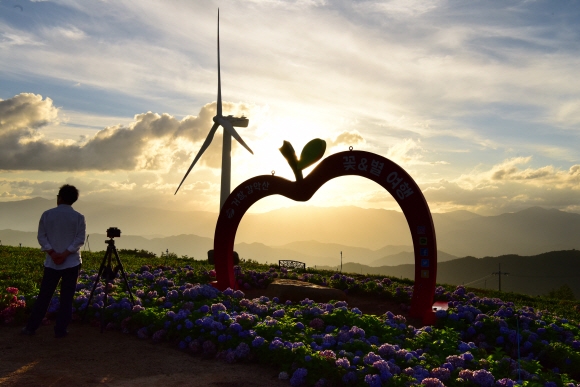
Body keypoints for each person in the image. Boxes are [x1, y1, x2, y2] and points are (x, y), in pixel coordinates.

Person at [21, 184, 86, 338]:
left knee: (44, 296)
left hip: (51, 262)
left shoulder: (47, 214)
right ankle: (61, 329)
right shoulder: (79, 217)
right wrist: (64, 254)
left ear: (60, 197)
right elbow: (79, 240)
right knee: (67, 297)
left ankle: (31, 327)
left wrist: (52, 252)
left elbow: (41, 236)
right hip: (72, 262)